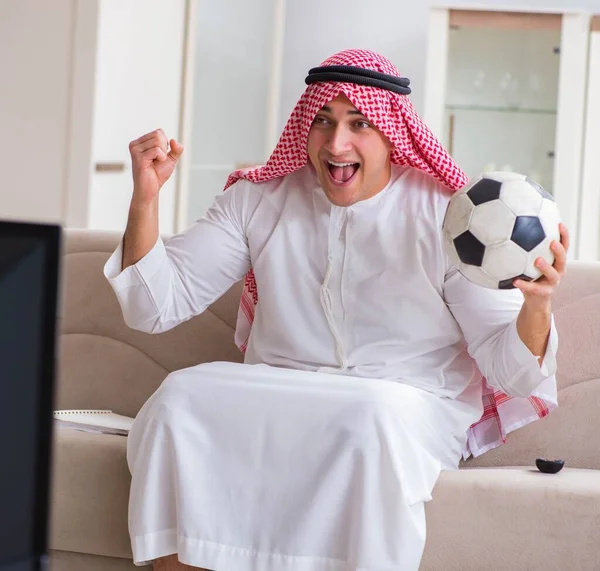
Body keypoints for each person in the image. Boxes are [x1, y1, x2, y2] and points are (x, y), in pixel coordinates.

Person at [104, 49, 567, 571]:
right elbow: (152, 306)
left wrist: (537, 305)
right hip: (278, 389)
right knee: (178, 399)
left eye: (358, 124)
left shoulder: (449, 216)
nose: (335, 142)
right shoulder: (259, 199)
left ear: (392, 133)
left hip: (407, 400)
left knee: (369, 417)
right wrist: (145, 197)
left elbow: (513, 371)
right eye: (322, 121)